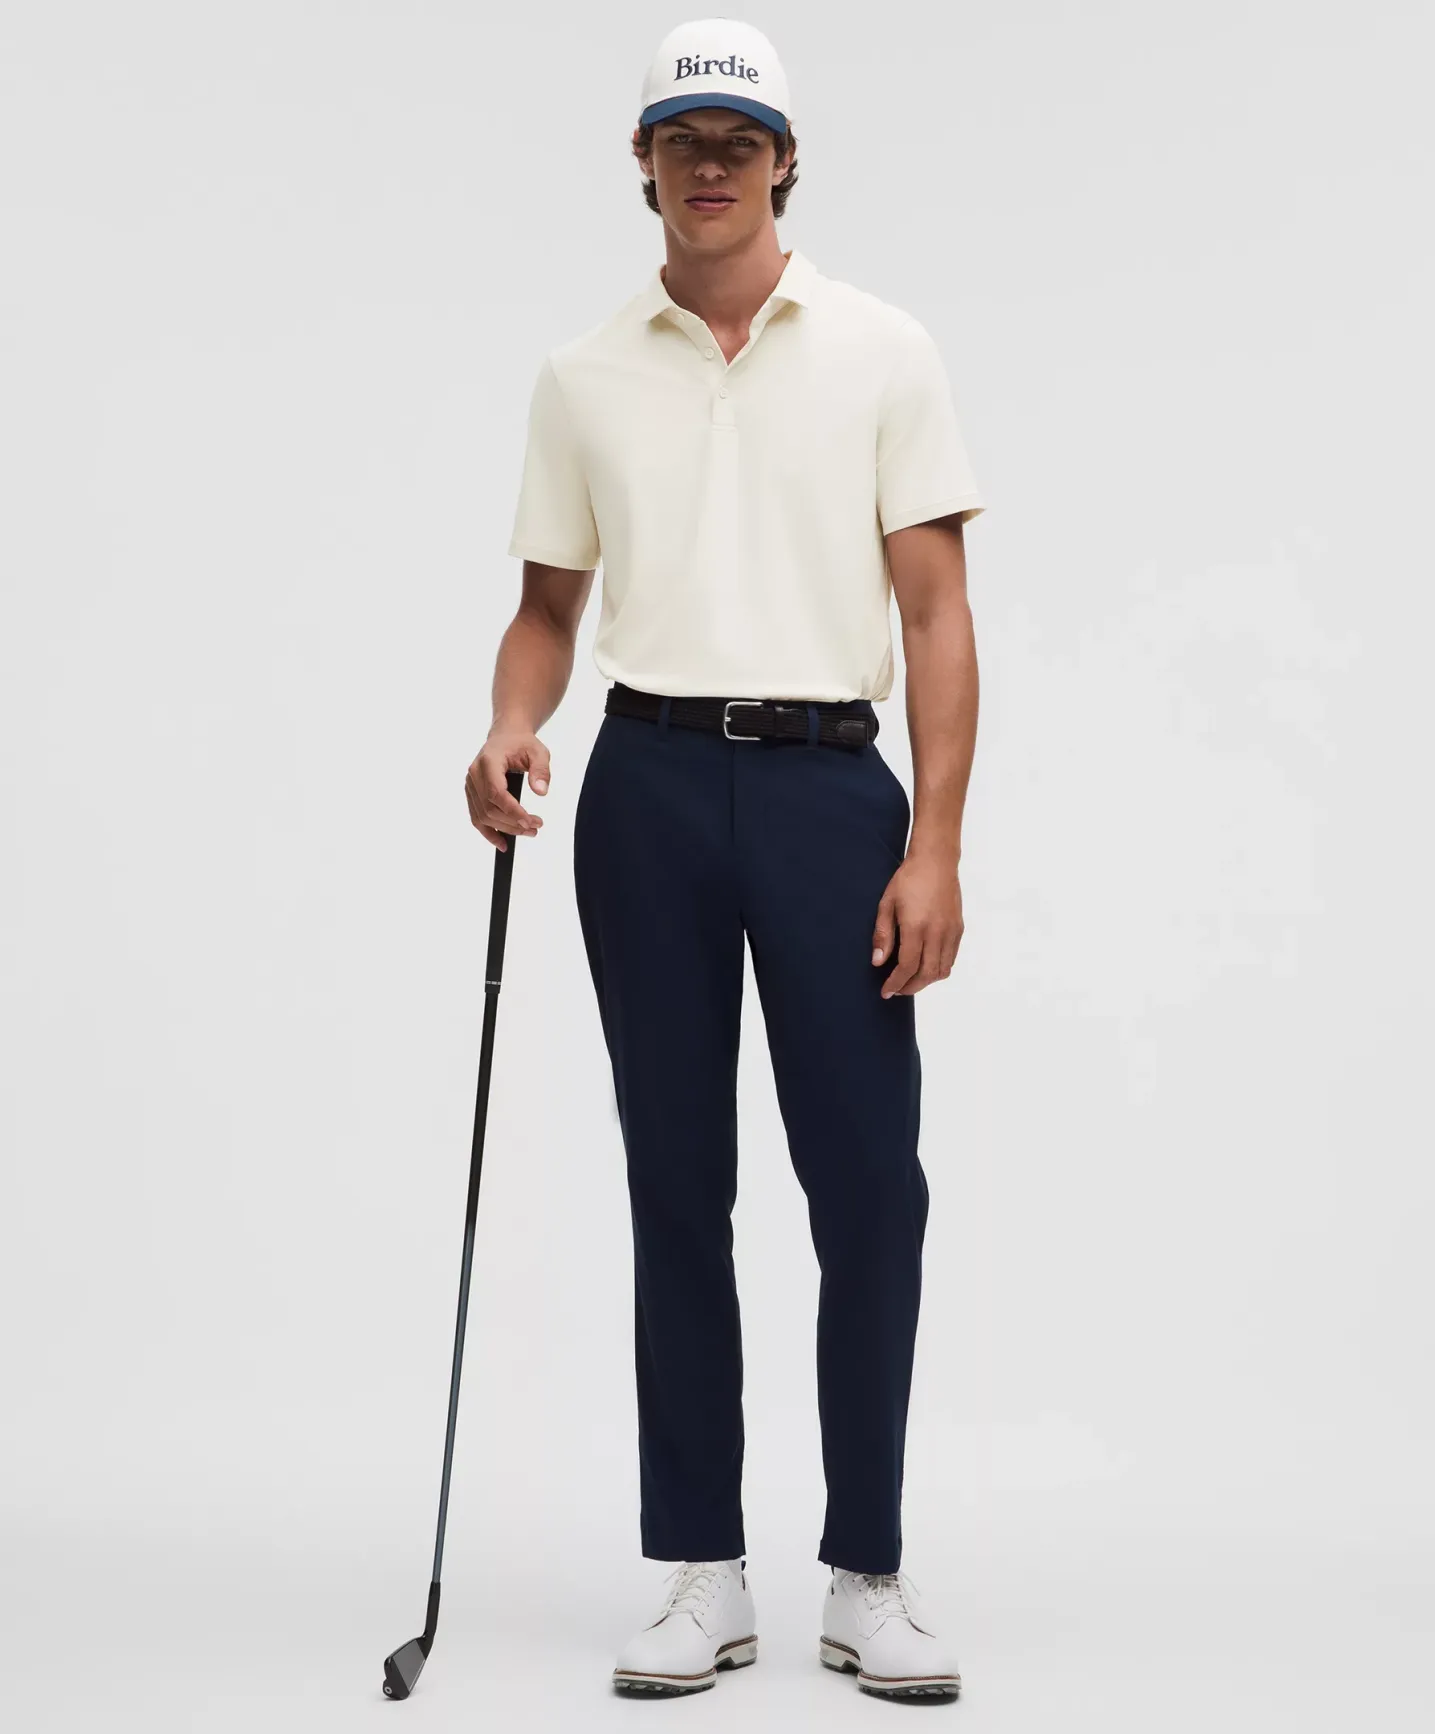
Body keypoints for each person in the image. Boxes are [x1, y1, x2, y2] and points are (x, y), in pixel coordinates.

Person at [465, 16, 985, 1704]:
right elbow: (547, 610)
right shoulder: (583, 374)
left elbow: (936, 612)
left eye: (737, 140)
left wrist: (936, 842)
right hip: (652, 788)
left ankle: (867, 1572)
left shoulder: (884, 348)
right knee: (677, 1185)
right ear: (642, 162)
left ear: (784, 162)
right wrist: (510, 722)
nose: (710, 164)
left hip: (835, 790)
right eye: (681, 137)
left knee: (872, 1188)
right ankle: (702, 1567)